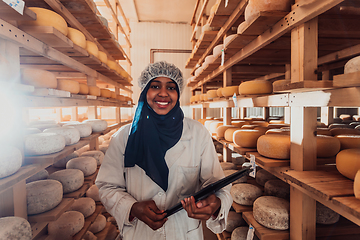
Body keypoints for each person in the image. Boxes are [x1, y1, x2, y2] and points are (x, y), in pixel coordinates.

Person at [95, 61, 232, 240]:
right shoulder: (124, 137)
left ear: (178, 94)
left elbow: (217, 184)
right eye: (155, 86)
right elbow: (108, 186)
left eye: (171, 87)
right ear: (145, 91)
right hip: (141, 233)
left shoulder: (197, 133)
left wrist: (216, 202)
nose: (163, 93)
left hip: (185, 233)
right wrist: (133, 207)